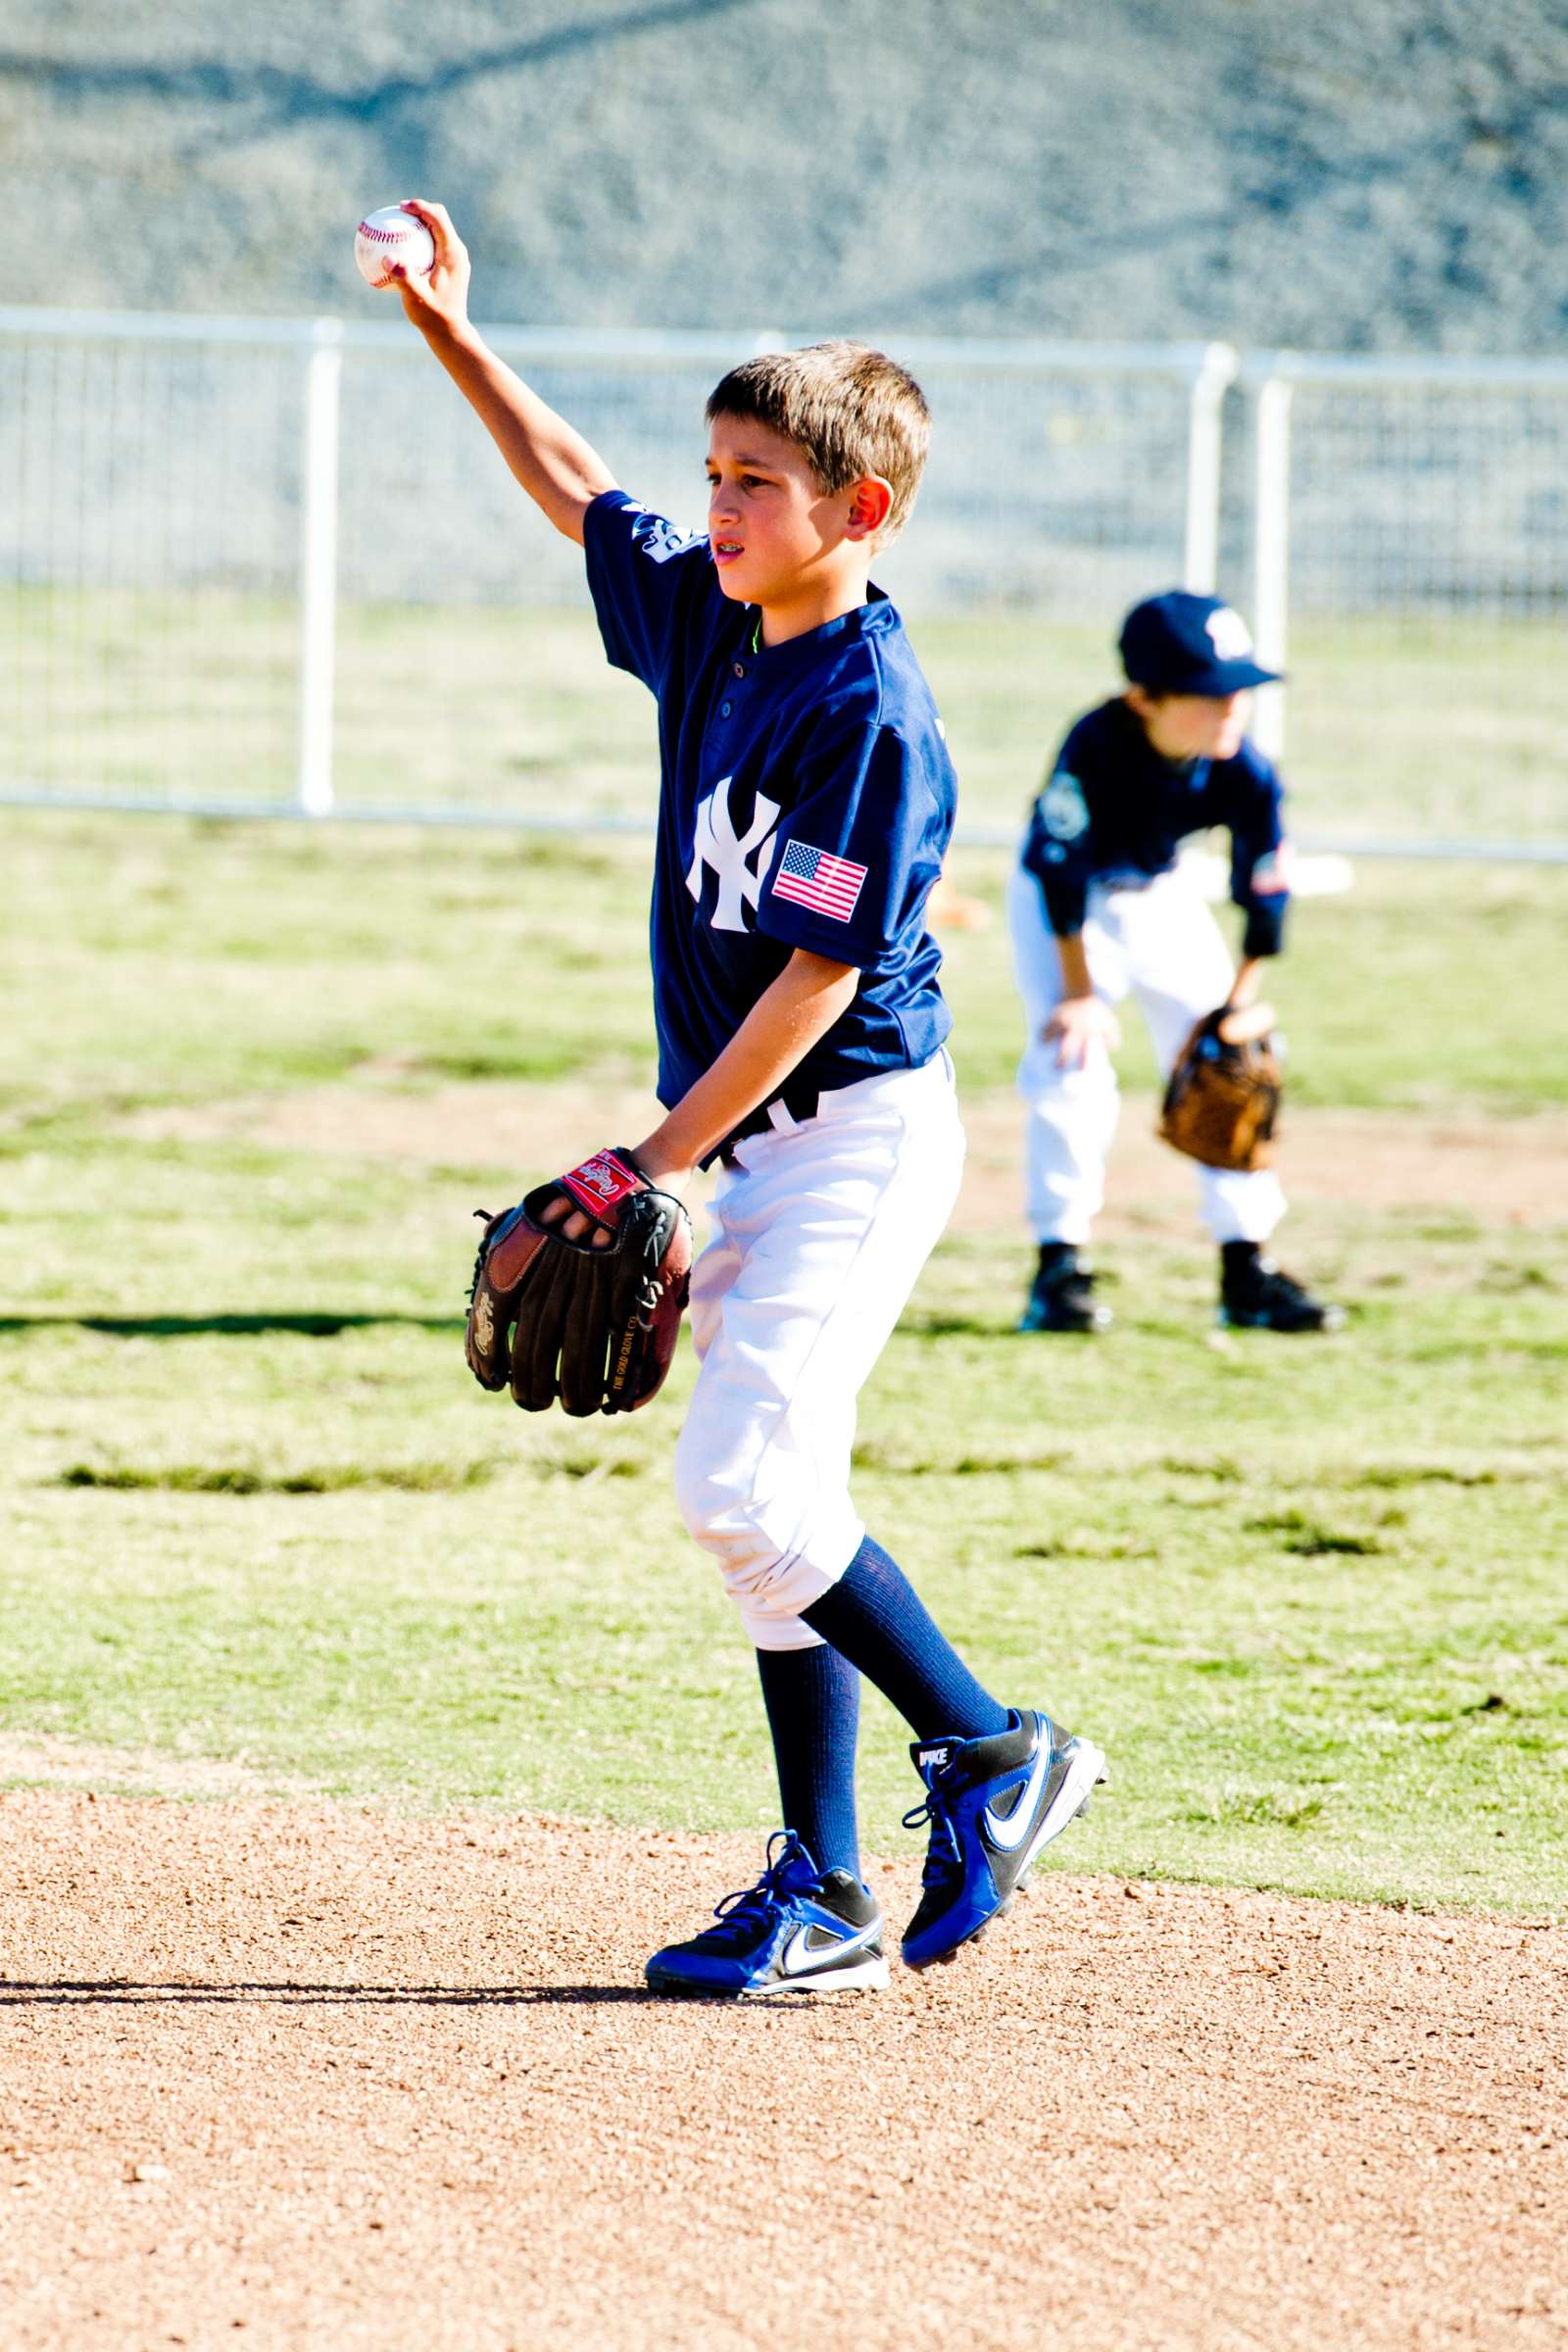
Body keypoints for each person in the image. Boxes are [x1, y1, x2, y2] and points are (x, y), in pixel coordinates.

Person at [392, 202, 1105, 1997]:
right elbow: (575, 491)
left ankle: (996, 1752)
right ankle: (824, 1892)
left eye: (758, 482)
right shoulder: (715, 617)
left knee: (744, 1485)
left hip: (851, 1134)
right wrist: (449, 332)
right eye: (713, 471)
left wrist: (655, 1156)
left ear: (859, 513)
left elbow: (822, 979)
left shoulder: (869, 711)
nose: (715, 508)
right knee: (767, 1506)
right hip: (743, 1136)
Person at [1007, 590, 1344, 1336]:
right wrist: (1080, 992)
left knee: (1239, 1066)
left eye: (1240, 694)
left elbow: (1264, 890)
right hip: (1062, 904)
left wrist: (1237, 1003)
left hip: (1157, 894)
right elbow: (1059, 867)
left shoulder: (1243, 769)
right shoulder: (1096, 743)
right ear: (1144, 697)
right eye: (1207, 695)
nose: (1231, 711)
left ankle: (1246, 1271)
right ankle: (1058, 1272)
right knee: (1073, 1061)